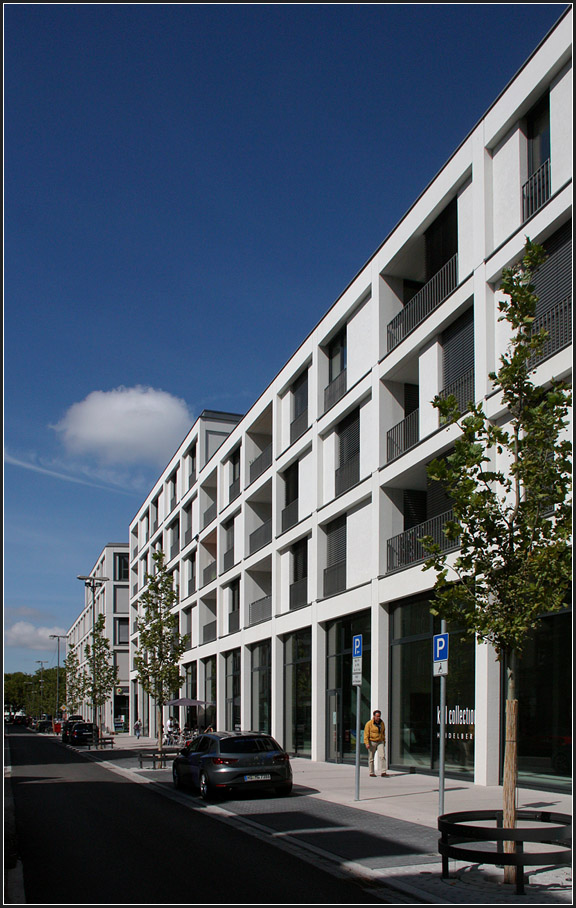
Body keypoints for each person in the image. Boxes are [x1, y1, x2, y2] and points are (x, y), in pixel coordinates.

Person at [364, 709, 387, 777]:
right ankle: (371, 772)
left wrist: (384, 741)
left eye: (379, 716)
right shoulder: (369, 724)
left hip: (380, 741)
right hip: (372, 742)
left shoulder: (382, 723)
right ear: (374, 716)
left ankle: (383, 771)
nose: (378, 718)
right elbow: (366, 734)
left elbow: (383, 733)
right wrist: (367, 743)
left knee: (382, 756)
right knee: (371, 758)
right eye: (377, 716)